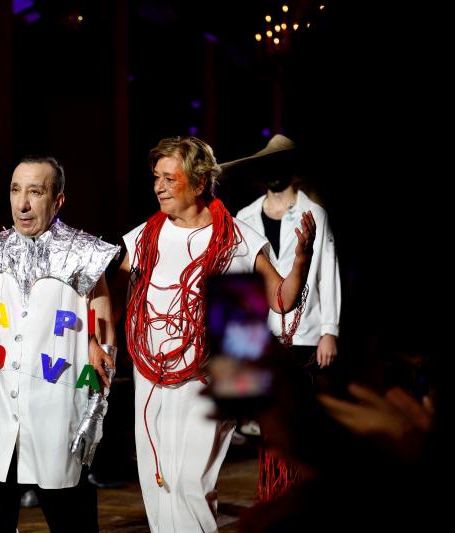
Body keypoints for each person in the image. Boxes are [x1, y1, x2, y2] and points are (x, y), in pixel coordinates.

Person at [112, 136, 315, 532]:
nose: (159, 187)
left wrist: (301, 261)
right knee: (159, 483)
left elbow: (280, 299)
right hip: (151, 373)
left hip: (210, 372)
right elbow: (116, 299)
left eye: (170, 179)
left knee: (191, 482)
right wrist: (98, 344)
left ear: (200, 182)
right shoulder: (142, 238)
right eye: (156, 178)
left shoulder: (237, 238)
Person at [0, 156, 119, 532]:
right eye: (16, 190)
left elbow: (105, 335)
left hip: (57, 410)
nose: (23, 203)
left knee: (70, 517)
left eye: (35, 191)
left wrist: (93, 409)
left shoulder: (84, 253)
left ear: (58, 200)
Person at [231, 134, 341, 374]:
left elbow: (328, 274)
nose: (273, 170)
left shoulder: (316, 214)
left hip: (305, 333)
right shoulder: (244, 217)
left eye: (280, 162)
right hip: (260, 335)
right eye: (268, 163)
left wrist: (329, 330)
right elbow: (241, 281)